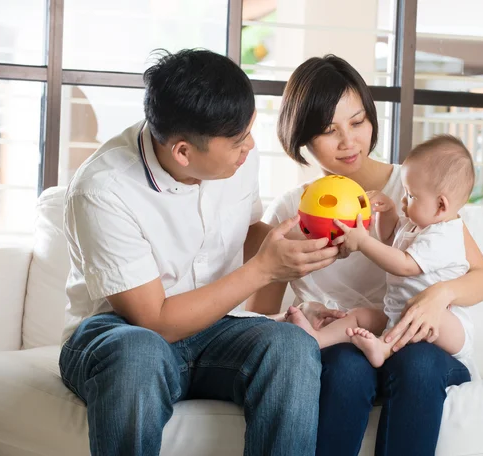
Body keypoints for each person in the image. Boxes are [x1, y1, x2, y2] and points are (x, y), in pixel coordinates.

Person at [58, 49, 340, 456]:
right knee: (140, 353)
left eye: (248, 132)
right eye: (237, 141)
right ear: (184, 153)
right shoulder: (103, 189)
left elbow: (245, 232)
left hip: (215, 329)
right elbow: (153, 322)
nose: (250, 147)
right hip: (118, 335)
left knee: (292, 346)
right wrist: (263, 270)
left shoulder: (238, 153)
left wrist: (307, 241)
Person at [247, 55, 483, 456]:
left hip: (419, 351)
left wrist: (439, 296)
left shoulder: (417, 186)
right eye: (329, 130)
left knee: (418, 361)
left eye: (358, 122)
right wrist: (302, 316)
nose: (348, 142)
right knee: (347, 367)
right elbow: (261, 320)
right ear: (302, 139)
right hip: (345, 350)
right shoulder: (290, 213)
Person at [286, 135, 478, 376]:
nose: (404, 200)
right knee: (359, 315)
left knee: (433, 318)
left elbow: (405, 265)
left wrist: (363, 242)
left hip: (445, 325)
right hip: (397, 313)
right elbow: (389, 240)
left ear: (441, 206)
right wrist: (387, 213)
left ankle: (384, 349)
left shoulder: (444, 236)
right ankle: (318, 338)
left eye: (411, 196)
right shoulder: (415, 225)